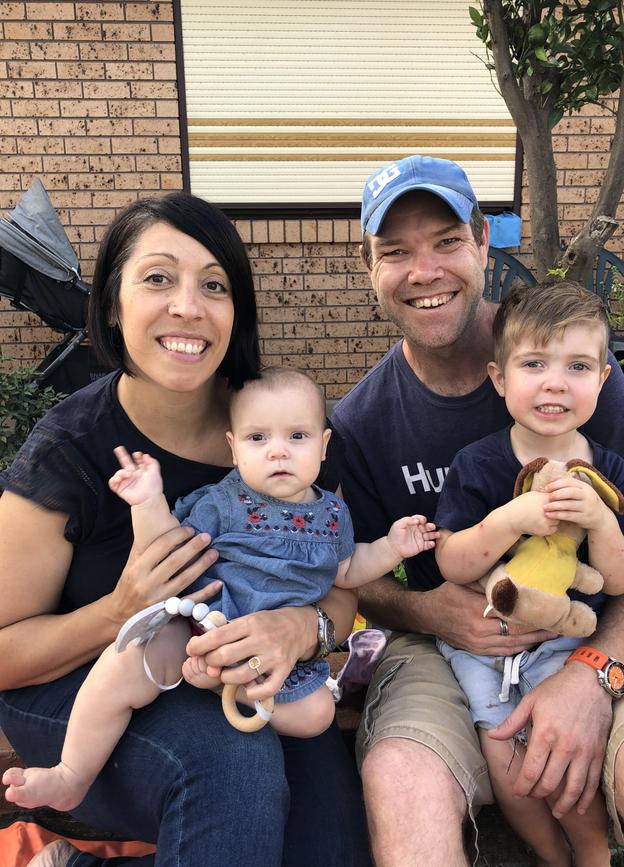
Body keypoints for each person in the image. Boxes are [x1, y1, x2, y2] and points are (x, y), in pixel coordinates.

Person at [0, 193, 372, 867]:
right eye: (158, 278)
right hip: (82, 689)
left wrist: (305, 628)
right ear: (112, 303)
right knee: (233, 765)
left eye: (214, 285)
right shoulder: (71, 449)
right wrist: (118, 609)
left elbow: (338, 585)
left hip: (259, 673)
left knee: (332, 852)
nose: (188, 306)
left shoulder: (281, 429)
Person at [332, 154, 624, 866]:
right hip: (445, 649)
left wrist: (596, 671)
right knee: (401, 774)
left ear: (482, 241)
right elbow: (356, 580)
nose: (425, 270)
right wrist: (430, 610)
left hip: (596, 627)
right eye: (396, 251)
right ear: (369, 267)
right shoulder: (361, 422)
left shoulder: (564, 367)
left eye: (446, 241)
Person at [3, 366, 436, 813]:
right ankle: (71, 772)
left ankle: (218, 686)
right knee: (123, 665)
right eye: (257, 439)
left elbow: (347, 570)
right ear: (233, 448)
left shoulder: (332, 515)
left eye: (297, 437)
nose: (277, 453)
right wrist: (147, 501)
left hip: (268, 651)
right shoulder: (222, 503)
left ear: (324, 445)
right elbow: (167, 545)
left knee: (317, 715)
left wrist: (391, 547)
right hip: (199, 623)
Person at [433, 282, 624, 867]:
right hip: (482, 647)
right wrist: (506, 520)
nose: (554, 382)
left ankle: (594, 853)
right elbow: (452, 562)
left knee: (567, 762)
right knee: (509, 766)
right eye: (534, 363)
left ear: (603, 380)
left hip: (567, 641)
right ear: (500, 379)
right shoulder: (478, 463)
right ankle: (550, 855)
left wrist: (601, 523)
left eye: (577, 365)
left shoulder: (611, 469)